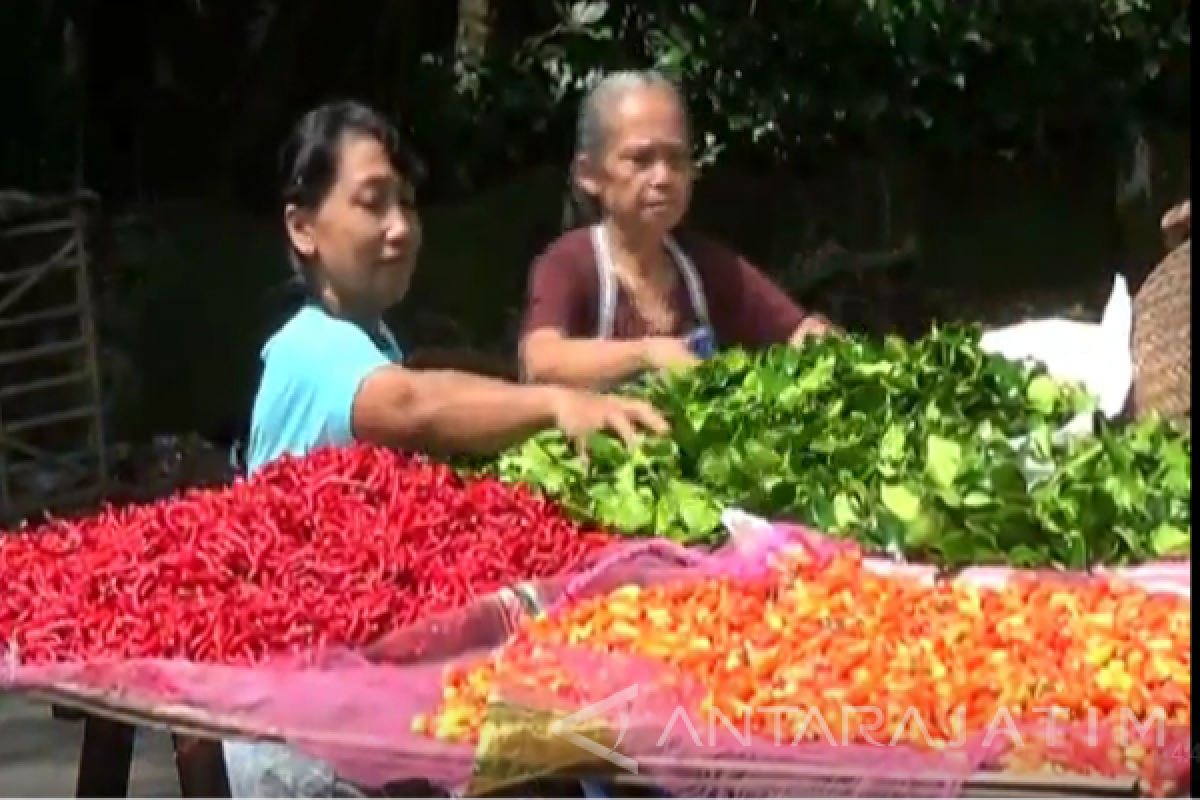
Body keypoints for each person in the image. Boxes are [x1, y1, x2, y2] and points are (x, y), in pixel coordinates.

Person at [222, 100, 669, 798]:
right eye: (373, 204)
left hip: (359, 705)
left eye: (407, 203)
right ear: (302, 227)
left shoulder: (372, 343)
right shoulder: (308, 349)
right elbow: (412, 405)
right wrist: (553, 403)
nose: (401, 228)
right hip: (308, 738)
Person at [519, 69, 836, 391]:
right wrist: (647, 355)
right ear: (589, 174)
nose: (663, 178)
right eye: (641, 160)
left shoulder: (705, 264)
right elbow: (541, 363)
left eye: (677, 159)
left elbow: (798, 334)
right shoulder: (570, 264)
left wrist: (848, 361)